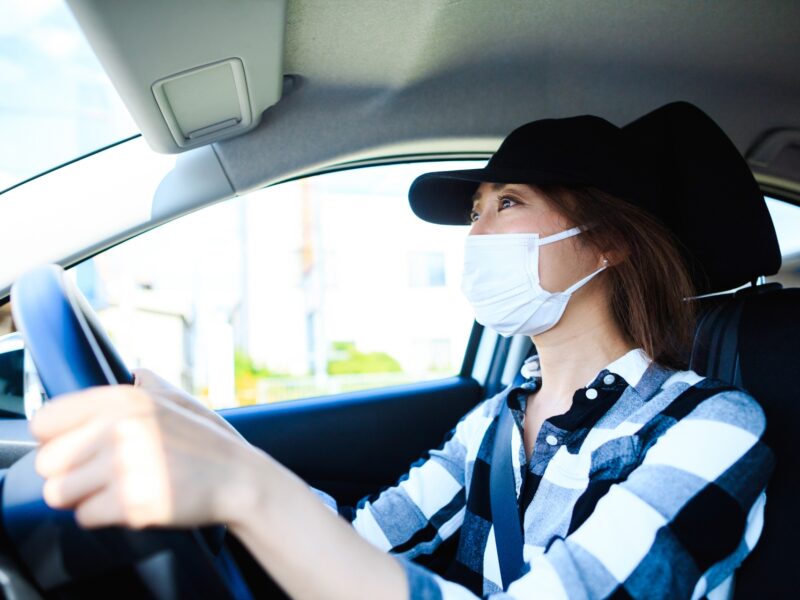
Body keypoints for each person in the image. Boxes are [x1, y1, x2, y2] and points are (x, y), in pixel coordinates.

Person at [29, 104, 774, 599]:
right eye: (474, 214)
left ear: (607, 240)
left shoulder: (711, 428)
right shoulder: (493, 423)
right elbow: (354, 546)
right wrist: (215, 441)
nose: (475, 237)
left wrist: (244, 487)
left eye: (506, 204)